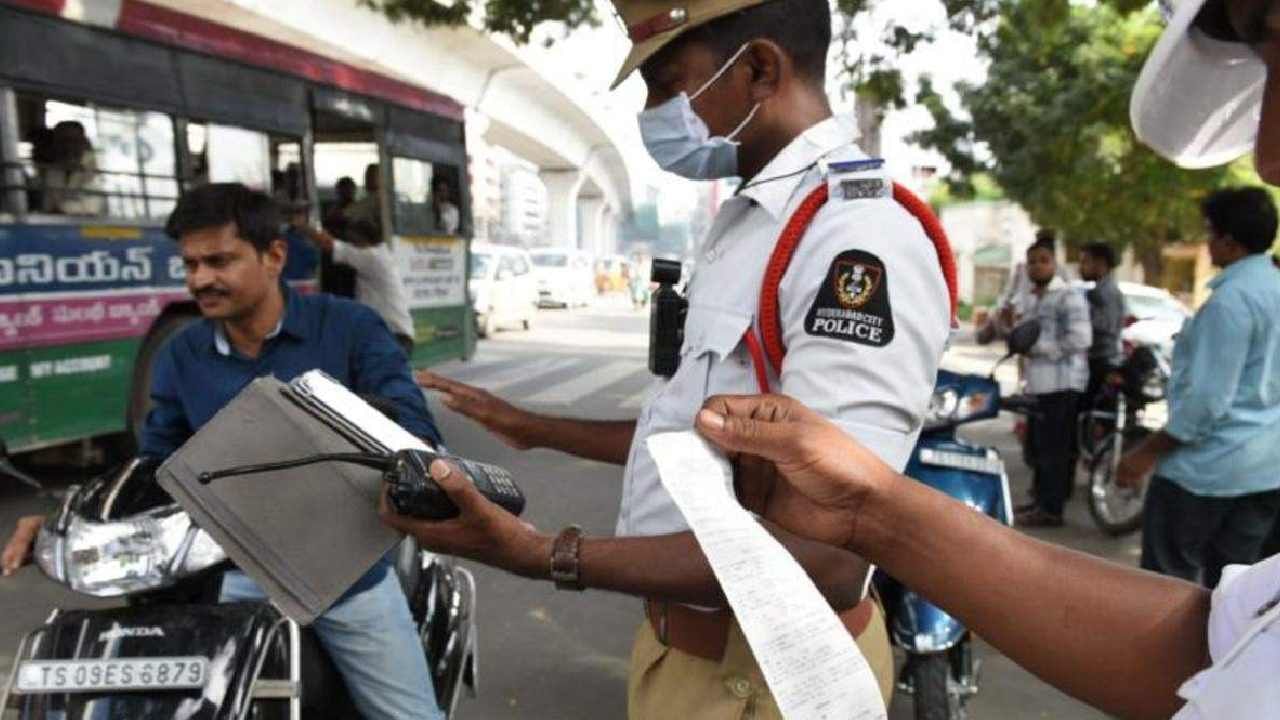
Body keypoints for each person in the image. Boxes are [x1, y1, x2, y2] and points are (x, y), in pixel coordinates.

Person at [389, 1, 953, 716]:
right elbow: (700, 443)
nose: (653, 113)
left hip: (764, 680)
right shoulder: (752, 222)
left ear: (758, 69)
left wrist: (544, 553)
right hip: (686, 657)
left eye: (667, 83)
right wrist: (536, 427)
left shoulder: (854, 237)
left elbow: (830, 557)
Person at [2, 183, 445, 720]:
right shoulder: (181, 354)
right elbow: (152, 469)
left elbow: (416, 431)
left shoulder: (350, 328)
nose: (200, 280)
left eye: (219, 260)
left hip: (344, 578)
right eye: (190, 264)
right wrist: (66, 516)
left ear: (274, 256)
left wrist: (338, 424)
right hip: (227, 576)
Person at [1115, 187, 1280, 589]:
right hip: (1264, 470)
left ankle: (1175, 655)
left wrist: (1145, 454)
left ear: (1228, 241)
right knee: (1234, 594)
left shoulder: (1232, 302)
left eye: (1210, 234)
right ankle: (1216, 655)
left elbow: (1207, 401)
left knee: (1168, 591)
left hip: (1204, 473)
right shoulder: (1274, 288)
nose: (1207, 244)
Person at [1015, 240, 1092, 527]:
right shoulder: (1034, 297)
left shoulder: (1067, 296)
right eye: (1032, 261)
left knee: (1054, 451)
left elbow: (1081, 339)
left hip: (1062, 384)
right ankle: (1040, 501)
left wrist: (1040, 348)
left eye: (1043, 260)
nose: (1037, 266)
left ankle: (1051, 509)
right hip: (1039, 384)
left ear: (1054, 263)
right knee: (1038, 448)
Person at [292, 213, 417, 358]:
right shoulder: (379, 253)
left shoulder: (371, 257)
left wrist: (303, 226)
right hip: (390, 335)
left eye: (353, 240)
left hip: (393, 336)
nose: (351, 244)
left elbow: (328, 244)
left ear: (362, 239)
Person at [1078, 242, 1125, 407]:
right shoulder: (1100, 290)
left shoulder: (1105, 292)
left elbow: (1107, 325)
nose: (1081, 267)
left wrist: (1080, 319)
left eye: (1085, 262)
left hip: (1101, 362)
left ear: (1100, 264)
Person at [39, 120, 103, 216]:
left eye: (73, 141)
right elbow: (47, 206)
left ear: (83, 142)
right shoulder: (53, 170)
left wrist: (60, 209)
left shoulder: (95, 166)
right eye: (61, 141)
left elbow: (91, 208)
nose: (68, 146)